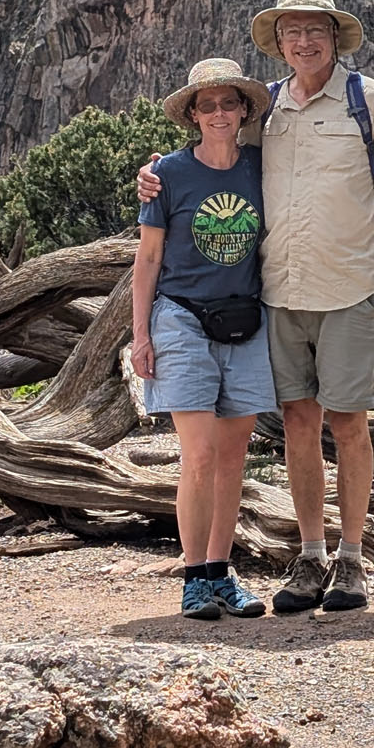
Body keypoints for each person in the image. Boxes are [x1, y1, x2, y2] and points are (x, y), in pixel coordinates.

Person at [140, 0, 374, 614]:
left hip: (351, 287)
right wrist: (153, 172)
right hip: (280, 293)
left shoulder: (368, 100)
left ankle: (352, 559)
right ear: (278, 44)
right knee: (299, 425)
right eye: (292, 33)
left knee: (350, 424)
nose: (304, 42)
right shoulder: (264, 111)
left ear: (335, 36)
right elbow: (209, 159)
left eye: (315, 31)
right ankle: (310, 557)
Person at [131, 57, 278, 620]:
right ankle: (194, 577)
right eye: (207, 104)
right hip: (182, 318)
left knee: (233, 455)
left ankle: (220, 573)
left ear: (243, 110)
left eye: (228, 102)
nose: (218, 112)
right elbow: (147, 258)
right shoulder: (167, 175)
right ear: (193, 115)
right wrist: (141, 335)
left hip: (244, 320)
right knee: (198, 455)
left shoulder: (263, 169)